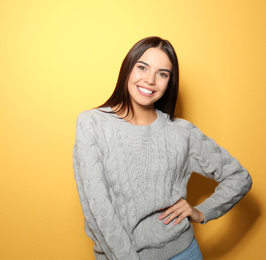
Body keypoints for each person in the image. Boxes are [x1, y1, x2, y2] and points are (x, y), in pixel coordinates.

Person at [73, 36, 252, 260]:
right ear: (128, 69)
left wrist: (201, 212)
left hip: (183, 252)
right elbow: (96, 209)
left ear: (169, 82)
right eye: (142, 67)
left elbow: (239, 177)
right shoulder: (93, 124)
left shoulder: (182, 132)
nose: (150, 80)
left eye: (162, 74)